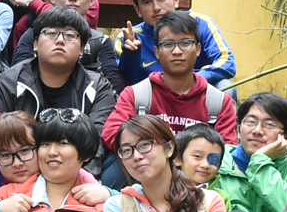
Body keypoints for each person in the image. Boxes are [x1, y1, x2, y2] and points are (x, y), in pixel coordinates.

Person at [102, 11, 239, 164]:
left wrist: (190, 160)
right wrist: (153, 151)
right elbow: (111, 133)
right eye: (168, 45)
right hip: (145, 170)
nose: (177, 51)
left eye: (185, 43)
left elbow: (226, 153)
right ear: (157, 52)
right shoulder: (135, 95)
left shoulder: (220, 103)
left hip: (198, 173)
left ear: (198, 49)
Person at [0, 8, 118, 138]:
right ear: (35, 44)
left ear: (81, 48)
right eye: (51, 33)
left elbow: (98, 140)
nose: (60, 40)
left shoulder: (97, 87)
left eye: (70, 35)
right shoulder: (8, 83)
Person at [118, 0, 238, 88]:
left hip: (198, 91)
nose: (156, 7)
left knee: (225, 86)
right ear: (138, 10)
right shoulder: (128, 38)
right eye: (147, 2)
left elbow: (227, 62)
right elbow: (123, 83)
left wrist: (194, 79)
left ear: (176, 0)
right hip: (155, 96)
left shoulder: (201, 23)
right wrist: (130, 55)